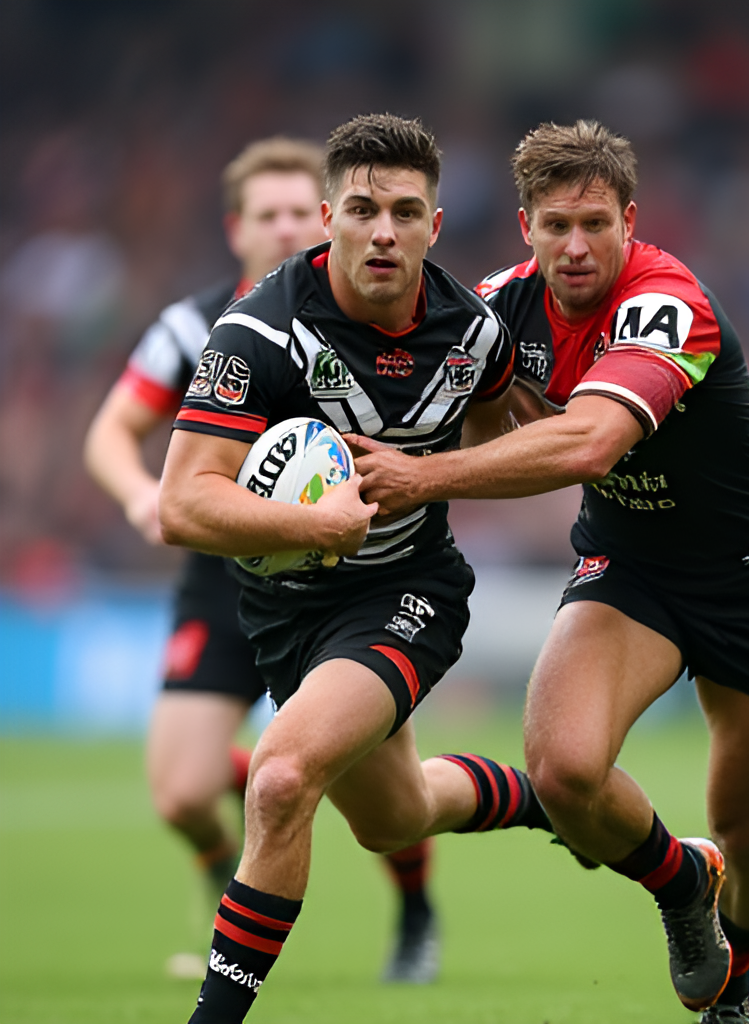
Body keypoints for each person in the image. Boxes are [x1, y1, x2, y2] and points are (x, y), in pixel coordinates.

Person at [353, 120, 749, 1024]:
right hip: (632, 568)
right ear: (525, 226)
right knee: (564, 772)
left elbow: (593, 440)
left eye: (597, 225)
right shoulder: (497, 309)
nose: (578, 247)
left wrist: (414, 475)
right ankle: (684, 886)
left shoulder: (667, 302)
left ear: (630, 221)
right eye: (557, 226)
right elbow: (458, 411)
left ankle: (739, 977)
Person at [158, 114, 553, 1024]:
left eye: (406, 212)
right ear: (329, 215)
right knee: (394, 816)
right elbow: (185, 504)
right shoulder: (258, 330)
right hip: (286, 610)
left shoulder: (475, 333)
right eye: (365, 209)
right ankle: (549, 799)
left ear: (435, 226)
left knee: (282, 776)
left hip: (407, 590)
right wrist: (310, 518)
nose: (384, 231)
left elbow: (512, 438)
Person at [84, 136, 442, 984]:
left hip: (348, 582)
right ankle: (227, 880)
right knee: (181, 791)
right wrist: (146, 496)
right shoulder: (196, 325)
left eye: (297, 213)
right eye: (269, 215)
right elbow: (109, 431)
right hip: (223, 576)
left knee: (383, 801)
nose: (286, 229)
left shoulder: (361, 313)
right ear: (237, 228)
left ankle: (416, 909)